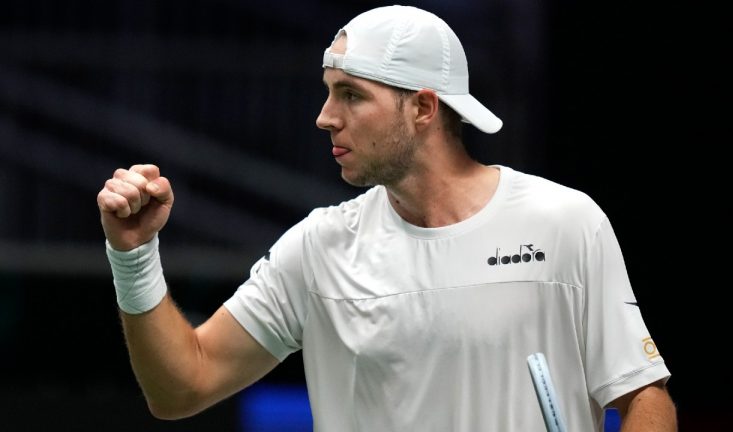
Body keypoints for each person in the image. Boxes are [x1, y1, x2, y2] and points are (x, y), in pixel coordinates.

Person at [97, 5, 676, 431]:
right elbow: (181, 388)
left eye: (350, 94)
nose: (325, 117)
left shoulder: (566, 222)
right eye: (328, 92)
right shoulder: (317, 248)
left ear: (423, 107)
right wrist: (133, 257)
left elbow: (645, 398)